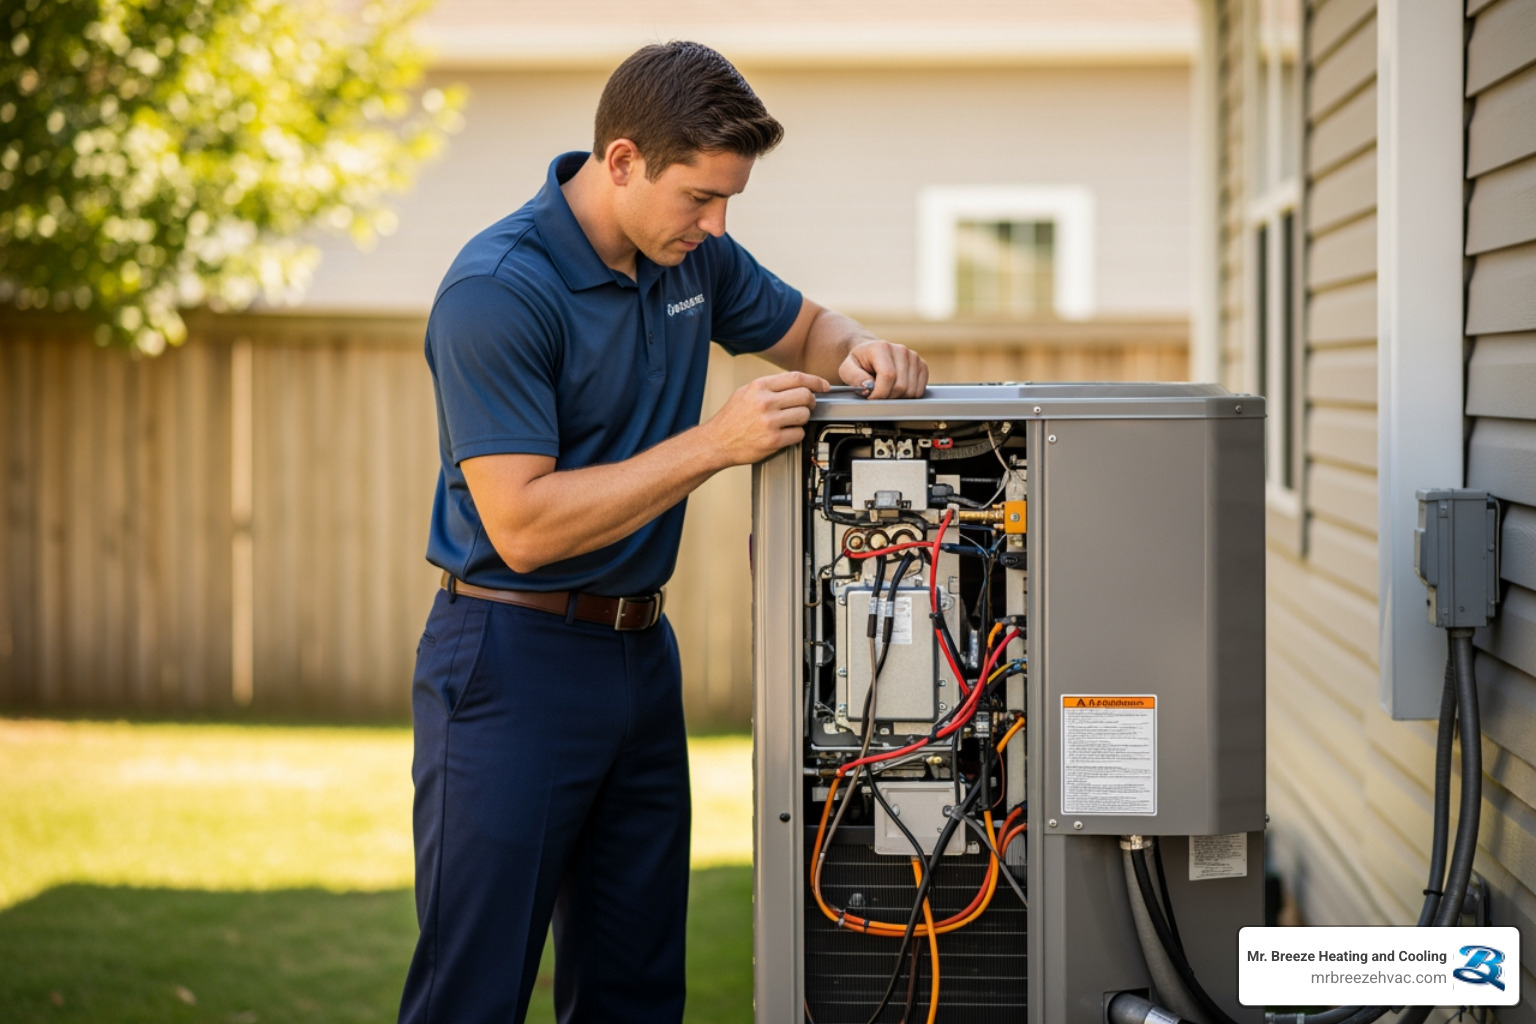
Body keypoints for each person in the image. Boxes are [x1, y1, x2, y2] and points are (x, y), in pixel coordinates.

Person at [400, 40, 929, 1024]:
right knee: (473, 992)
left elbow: (814, 332)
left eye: (730, 200)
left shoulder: (694, 259)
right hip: (510, 658)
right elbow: (519, 523)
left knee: (638, 989)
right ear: (622, 161)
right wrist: (715, 443)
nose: (717, 224)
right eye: (699, 197)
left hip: (640, 657)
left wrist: (865, 351)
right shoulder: (499, 291)